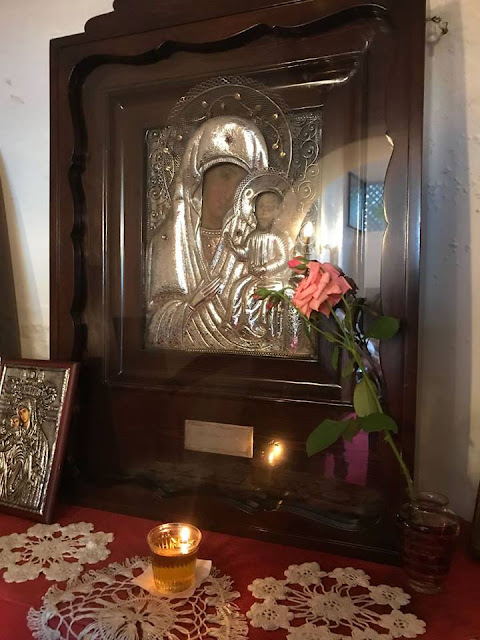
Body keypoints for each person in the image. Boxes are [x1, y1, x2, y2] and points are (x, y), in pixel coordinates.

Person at [146, 115, 269, 350]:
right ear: (197, 182)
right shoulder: (166, 243)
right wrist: (190, 305)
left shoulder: (257, 244)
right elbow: (154, 325)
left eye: (242, 182)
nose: (232, 191)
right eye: (224, 176)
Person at [226, 189, 291, 339]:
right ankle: (234, 322)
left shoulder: (278, 237)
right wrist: (233, 247)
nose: (263, 211)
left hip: (271, 278)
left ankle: (253, 326)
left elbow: (283, 259)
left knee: (251, 292)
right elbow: (245, 253)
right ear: (254, 210)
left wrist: (264, 268)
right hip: (253, 275)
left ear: (277, 212)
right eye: (260, 207)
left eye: (269, 208)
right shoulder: (252, 236)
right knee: (236, 288)